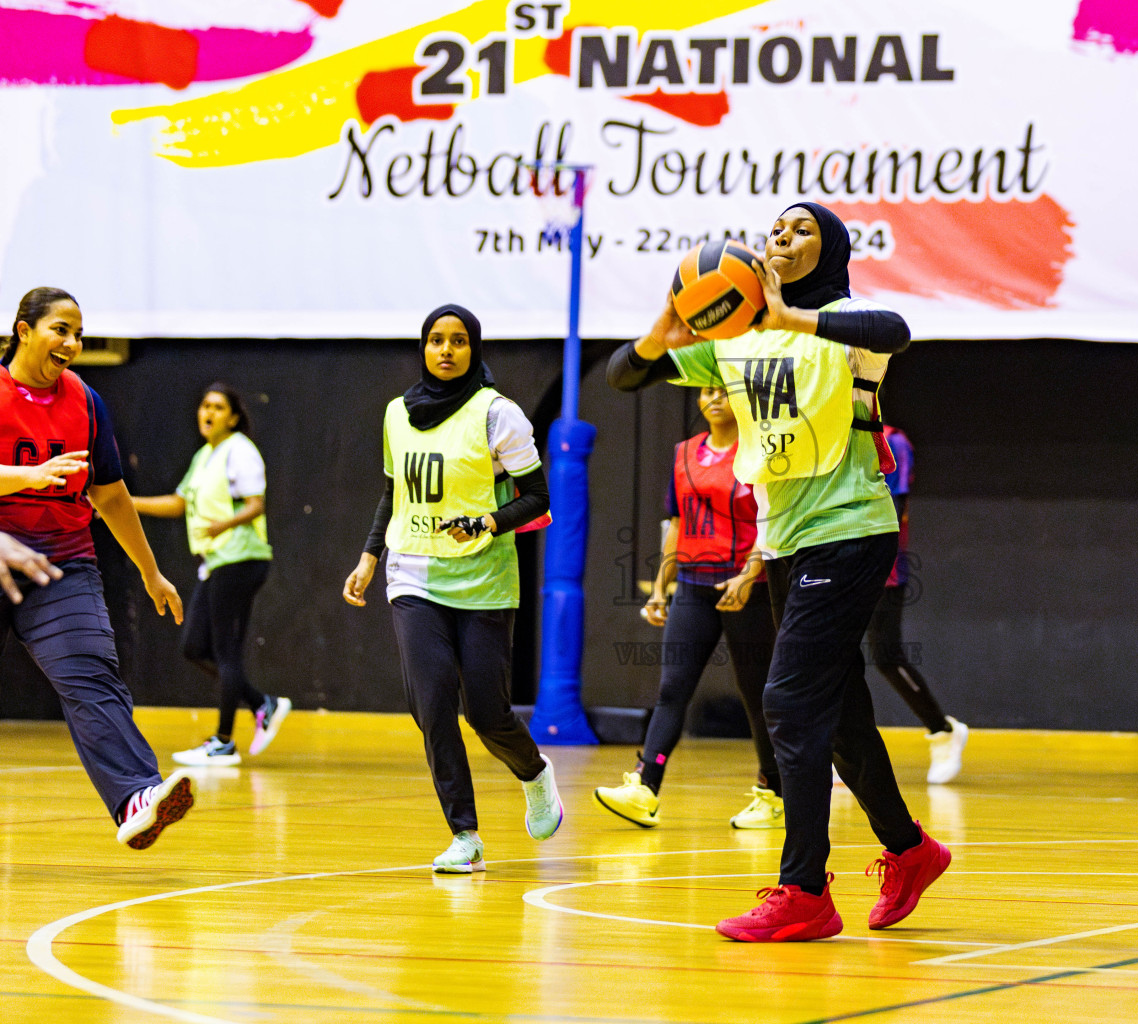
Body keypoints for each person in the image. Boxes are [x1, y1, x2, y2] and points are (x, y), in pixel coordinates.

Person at [608, 204, 950, 942]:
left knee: (789, 705)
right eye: (777, 229)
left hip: (854, 531)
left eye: (802, 230)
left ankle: (804, 891)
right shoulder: (731, 339)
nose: (782, 237)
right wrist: (659, 334)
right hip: (788, 541)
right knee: (840, 714)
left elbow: (898, 332)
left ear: (831, 250)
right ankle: (910, 849)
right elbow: (621, 376)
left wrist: (789, 316)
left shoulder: (848, 322)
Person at [342, 303, 563, 873]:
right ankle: (465, 835)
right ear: (423, 347)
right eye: (436, 340)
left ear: (475, 349)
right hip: (412, 575)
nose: (446, 350)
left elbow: (537, 498)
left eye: (459, 341)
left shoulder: (498, 414)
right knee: (433, 703)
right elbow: (395, 495)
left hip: (483, 580)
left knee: (485, 712)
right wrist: (369, 556)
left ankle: (535, 774)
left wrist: (490, 521)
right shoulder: (396, 414)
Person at [0, 287, 195, 848]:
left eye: (78, 333)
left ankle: (138, 795)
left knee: (91, 677)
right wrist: (28, 478)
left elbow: (110, 497)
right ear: (24, 330)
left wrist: (150, 572)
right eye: (60, 329)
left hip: (60, 563)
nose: (73, 342)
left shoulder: (84, 401)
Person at [593, 385, 782, 829]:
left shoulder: (761, 452)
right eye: (706, 390)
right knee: (672, 688)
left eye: (724, 390)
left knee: (758, 696)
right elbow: (676, 525)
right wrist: (661, 586)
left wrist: (750, 574)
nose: (714, 398)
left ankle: (774, 793)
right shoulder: (684, 454)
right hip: (694, 586)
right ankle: (645, 786)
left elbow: (773, 522)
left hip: (744, 587)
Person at [132, 384, 290, 766]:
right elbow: (179, 502)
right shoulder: (205, 455)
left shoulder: (240, 450)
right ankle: (259, 703)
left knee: (225, 650)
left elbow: (255, 505)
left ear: (233, 417)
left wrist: (224, 525)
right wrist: (122, 505)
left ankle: (223, 741)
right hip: (216, 562)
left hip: (240, 559)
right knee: (194, 647)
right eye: (205, 405)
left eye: (218, 407)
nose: (209, 412)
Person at [867, 424, 968, 784]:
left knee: (886, 656)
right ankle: (838, 751)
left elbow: (892, 511)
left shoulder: (892, 442)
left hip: (881, 570)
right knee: (829, 659)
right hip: (832, 565)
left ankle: (942, 731)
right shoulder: (826, 435)